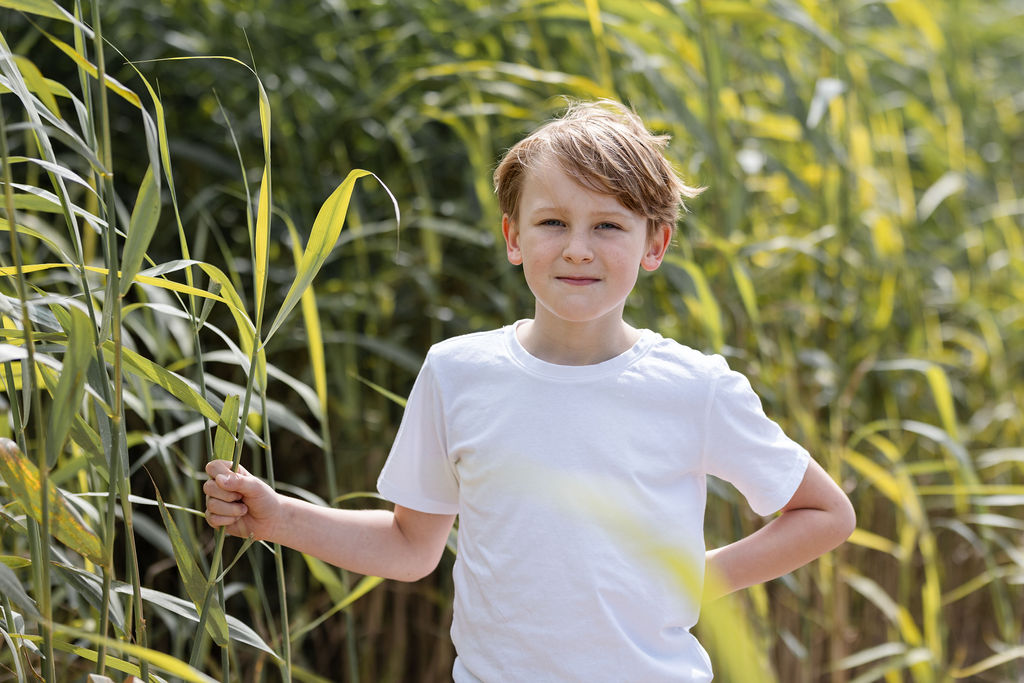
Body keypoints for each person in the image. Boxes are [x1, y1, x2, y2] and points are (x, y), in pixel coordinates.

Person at [204, 100, 856, 681]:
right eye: (552, 223)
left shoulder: (695, 386)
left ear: (654, 243)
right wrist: (277, 517)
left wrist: (700, 576)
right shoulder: (456, 372)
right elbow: (409, 546)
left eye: (608, 225)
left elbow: (826, 513)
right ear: (514, 237)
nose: (578, 248)